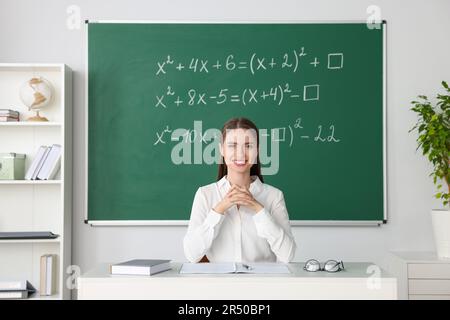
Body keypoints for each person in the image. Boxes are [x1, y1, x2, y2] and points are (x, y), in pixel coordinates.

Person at [183, 117, 296, 263]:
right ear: (221, 149)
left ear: (257, 151)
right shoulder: (205, 194)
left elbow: (288, 255)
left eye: (248, 146)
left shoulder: (274, 196)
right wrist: (219, 209)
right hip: (218, 284)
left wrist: (258, 208)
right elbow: (192, 255)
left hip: (262, 284)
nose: (241, 154)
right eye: (233, 145)